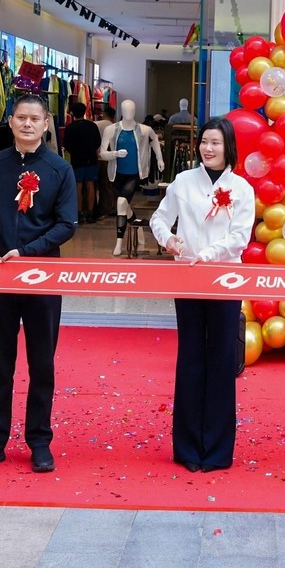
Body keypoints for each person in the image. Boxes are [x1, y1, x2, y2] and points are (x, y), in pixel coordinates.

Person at [0, 93, 77, 474]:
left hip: (42, 278)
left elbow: (67, 224)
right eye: (21, 118)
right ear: (11, 121)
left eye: (35, 119)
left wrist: (28, 252)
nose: (27, 124)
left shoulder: (60, 170)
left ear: (46, 125)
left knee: (42, 364)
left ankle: (39, 441)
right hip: (0, 278)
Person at [149, 117, 256, 471]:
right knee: (191, 357)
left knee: (222, 359)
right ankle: (188, 449)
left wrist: (208, 255)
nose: (208, 149)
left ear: (229, 148)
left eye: (215, 143)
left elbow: (240, 237)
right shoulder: (183, 181)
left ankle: (218, 450)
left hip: (225, 279)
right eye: (204, 142)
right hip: (188, 279)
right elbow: (159, 219)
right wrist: (169, 239)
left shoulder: (242, 188)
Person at [100, 98, 164, 256]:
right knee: (124, 207)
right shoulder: (111, 130)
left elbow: (155, 139)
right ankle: (138, 228)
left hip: (134, 175)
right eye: (126, 109)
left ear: (134, 111)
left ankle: (118, 243)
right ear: (122, 111)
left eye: (131, 109)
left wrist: (159, 159)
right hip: (116, 175)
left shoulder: (144, 130)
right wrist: (115, 153)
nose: (129, 112)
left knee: (121, 203)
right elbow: (102, 153)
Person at [61, 101, 102, 224]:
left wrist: (74, 151)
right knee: (91, 185)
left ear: (73, 113)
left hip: (77, 160)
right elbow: (98, 142)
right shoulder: (92, 126)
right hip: (91, 159)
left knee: (77, 186)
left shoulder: (70, 127)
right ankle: (90, 213)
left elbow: (66, 144)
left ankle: (78, 213)